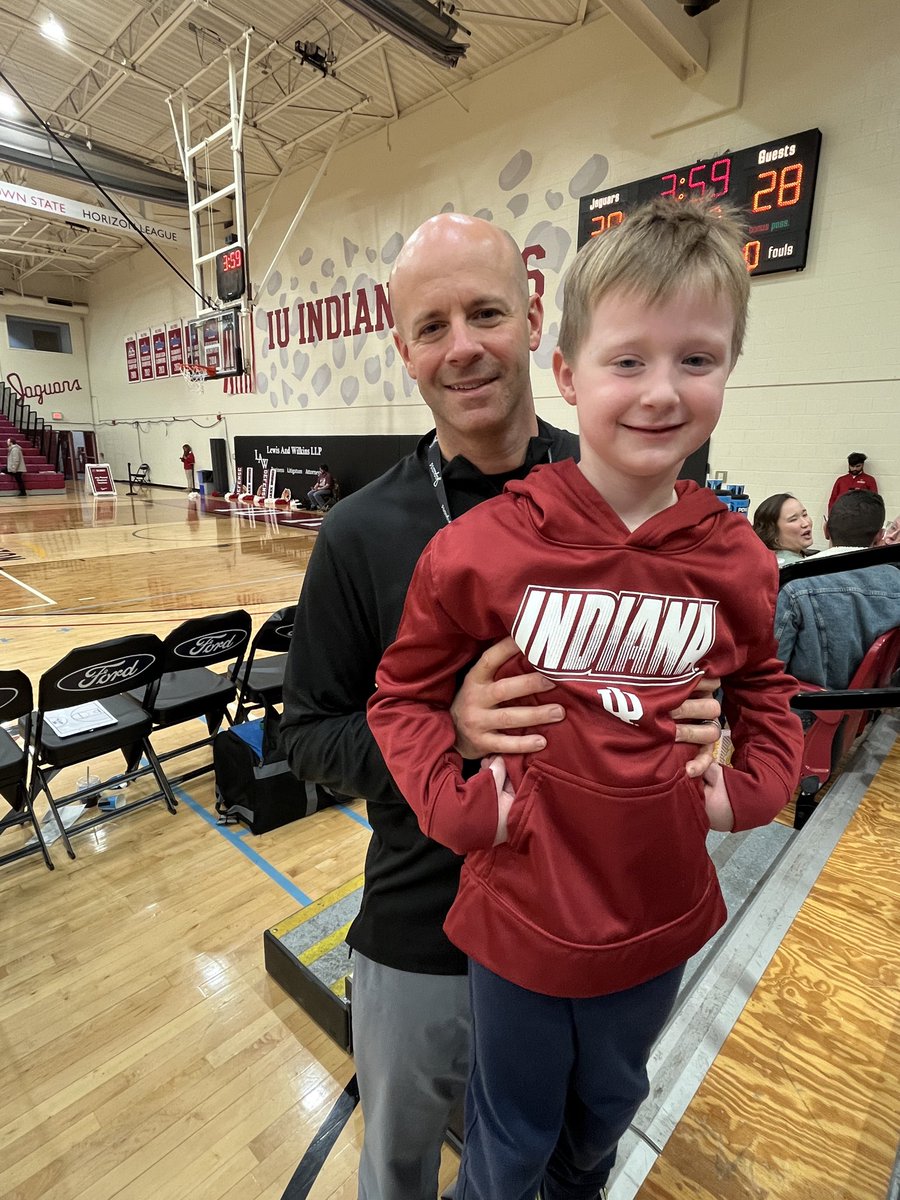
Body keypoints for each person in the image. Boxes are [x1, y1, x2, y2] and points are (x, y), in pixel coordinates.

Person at [280, 211, 724, 1200]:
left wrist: (706, 715)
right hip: (423, 932)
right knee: (400, 1174)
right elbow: (306, 735)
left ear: (532, 318)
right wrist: (449, 731)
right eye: (431, 326)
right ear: (403, 351)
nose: (463, 345)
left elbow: (697, 671)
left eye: (485, 311)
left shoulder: (629, 484)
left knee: (570, 1165)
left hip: (593, 928)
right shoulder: (359, 533)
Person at [368, 198, 804, 1200]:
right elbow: (399, 696)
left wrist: (751, 790)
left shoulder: (736, 557)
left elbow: (767, 688)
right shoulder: (479, 549)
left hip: (659, 921)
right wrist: (455, 803)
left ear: (729, 371)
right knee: (507, 1146)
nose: (660, 392)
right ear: (567, 373)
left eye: (696, 360)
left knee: (602, 1127)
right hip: (520, 924)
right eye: (627, 361)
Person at [775, 490, 900, 725]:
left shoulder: (796, 585)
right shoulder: (896, 581)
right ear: (879, 536)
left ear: (825, 530)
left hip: (802, 719)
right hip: (865, 717)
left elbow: (768, 673)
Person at [752, 492, 814, 565]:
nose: (805, 523)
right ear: (771, 531)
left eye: (804, 515)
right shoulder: (793, 568)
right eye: (793, 519)